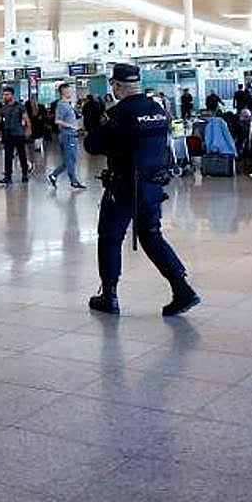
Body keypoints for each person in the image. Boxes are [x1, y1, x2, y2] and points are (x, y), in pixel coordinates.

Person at [84, 64, 200, 316]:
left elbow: (93, 145)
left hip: (123, 186)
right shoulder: (157, 110)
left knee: (111, 237)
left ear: (116, 86)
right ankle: (182, 288)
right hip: (152, 185)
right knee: (151, 234)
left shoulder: (119, 113)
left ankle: (110, 296)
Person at [47, 83, 86, 190]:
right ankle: (73, 181)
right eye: (68, 91)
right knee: (71, 159)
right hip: (68, 136)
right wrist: (71, 126)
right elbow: (57, 121)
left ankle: (54, 175)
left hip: (70, 135)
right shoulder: (62, 105)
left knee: (68, 160)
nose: (71, 93)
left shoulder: (67, 104)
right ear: (63, 92)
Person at [0, 87, 30, 184]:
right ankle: (8, 176)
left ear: (12, 95)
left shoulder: (19, 106)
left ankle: (24, 173)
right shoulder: (3, 108)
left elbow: (26, 119)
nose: (5, 97)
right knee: (8, 156)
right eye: (4, 95)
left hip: (18, 134)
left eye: (7, 95)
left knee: (22, 155)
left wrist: (28, 129)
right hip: (7, 134)